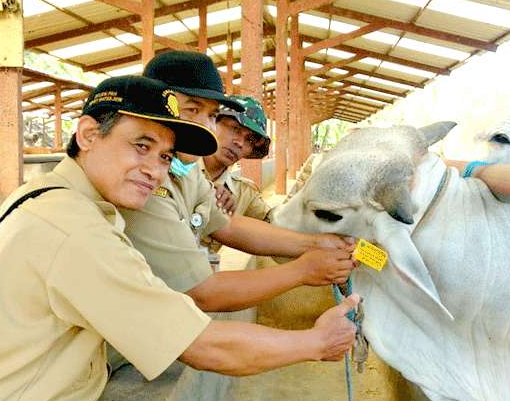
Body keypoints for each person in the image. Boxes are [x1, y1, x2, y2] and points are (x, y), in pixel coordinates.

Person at [0, 76, 359, 401]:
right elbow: (202, 344)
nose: (155, 172)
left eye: (164, 157)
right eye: (140, 146)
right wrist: (316, 342)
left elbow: (226, 225)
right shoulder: (74, 229)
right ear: (89, 134)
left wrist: (312, 246)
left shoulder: (54, 195)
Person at [120, 51, 357, 312]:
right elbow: (202, 291)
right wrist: (303, 271)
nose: (204, 126)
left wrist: (317, 242)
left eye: (210, 115)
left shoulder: (190, 174)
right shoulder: (144, 182)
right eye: (192, 109)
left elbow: (230, 226)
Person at [199, 95, 272, 254]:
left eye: (249, 140)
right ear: (213, 122)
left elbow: (274, 225)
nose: (240, 143)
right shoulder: (174, 169)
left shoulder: (243, 192)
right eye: (234, 129)